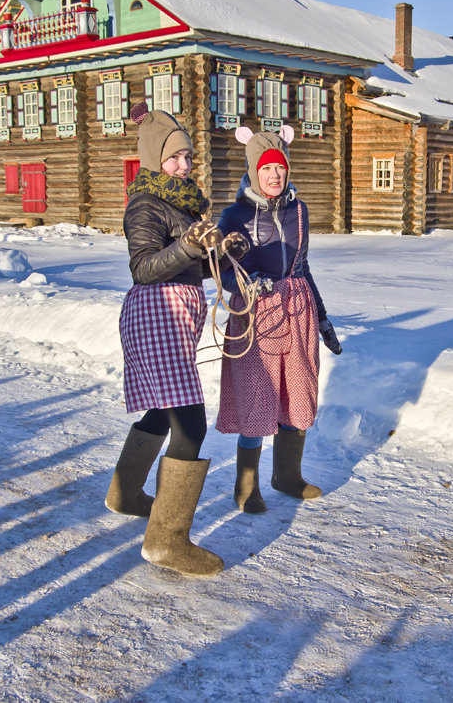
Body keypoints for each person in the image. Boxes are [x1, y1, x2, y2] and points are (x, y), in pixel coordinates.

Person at [104, 102, 249, 576]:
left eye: (188, 158)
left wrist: (225, 251)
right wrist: (188, 245)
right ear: (153, 160)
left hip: (174, 314)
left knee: (164, 411)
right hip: (156, 311)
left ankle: (126, 494)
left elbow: (200, 266)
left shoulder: (184, 205)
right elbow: (144, 268)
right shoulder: (145, 204)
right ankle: (167, 541)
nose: (184, 166)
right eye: (174, 159)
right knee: (190, 425)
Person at [215, 125, 343, 514]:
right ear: (254, 170)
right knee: (258, 398)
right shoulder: (234, 214)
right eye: (267, 168)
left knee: (298, 394)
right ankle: (246, 487)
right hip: (257, 313)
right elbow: (222, 268)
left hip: (298, 307)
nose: (274, 175)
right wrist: (249, 281)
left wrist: (322, 319)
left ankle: (286, 475)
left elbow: (303, 267)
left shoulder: (298, 211)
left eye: (280, 168)